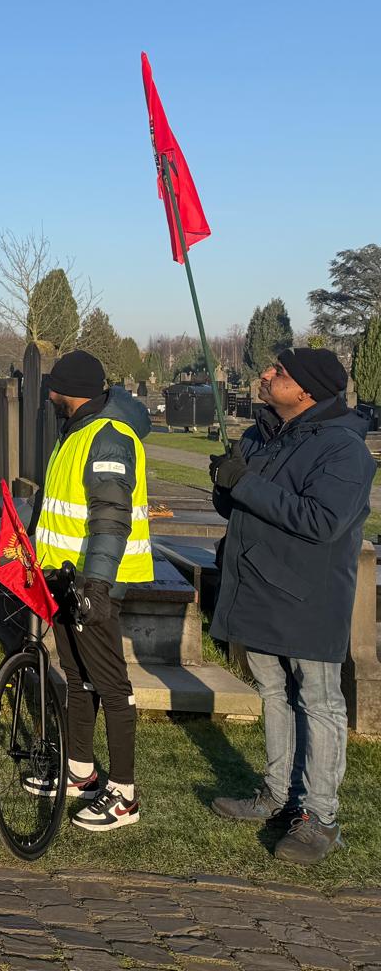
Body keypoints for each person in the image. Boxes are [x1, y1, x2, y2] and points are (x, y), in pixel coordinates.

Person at [209, 347, 373, 864]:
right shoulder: (261, 433)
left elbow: (322, 520)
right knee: (273, 692)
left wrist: (247, 484)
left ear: (306, 391)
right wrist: (225, 482)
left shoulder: (344, 450)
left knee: (319, 702)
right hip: (256, 584)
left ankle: (319, 817)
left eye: (278, 372)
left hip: (308, 596)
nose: (266, 374)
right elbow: (240, 503)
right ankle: (278, 796)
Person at [28, 350, 153, 832]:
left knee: (110, 684)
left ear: (69, 390)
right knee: (76, 677)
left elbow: (110, 516)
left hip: (95, 582)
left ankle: (124, 794)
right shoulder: (77, 429)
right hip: (66, 576)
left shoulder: (107, 437)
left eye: (53, 389)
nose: (49, 396)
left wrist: (97, 584)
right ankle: (81, 771)